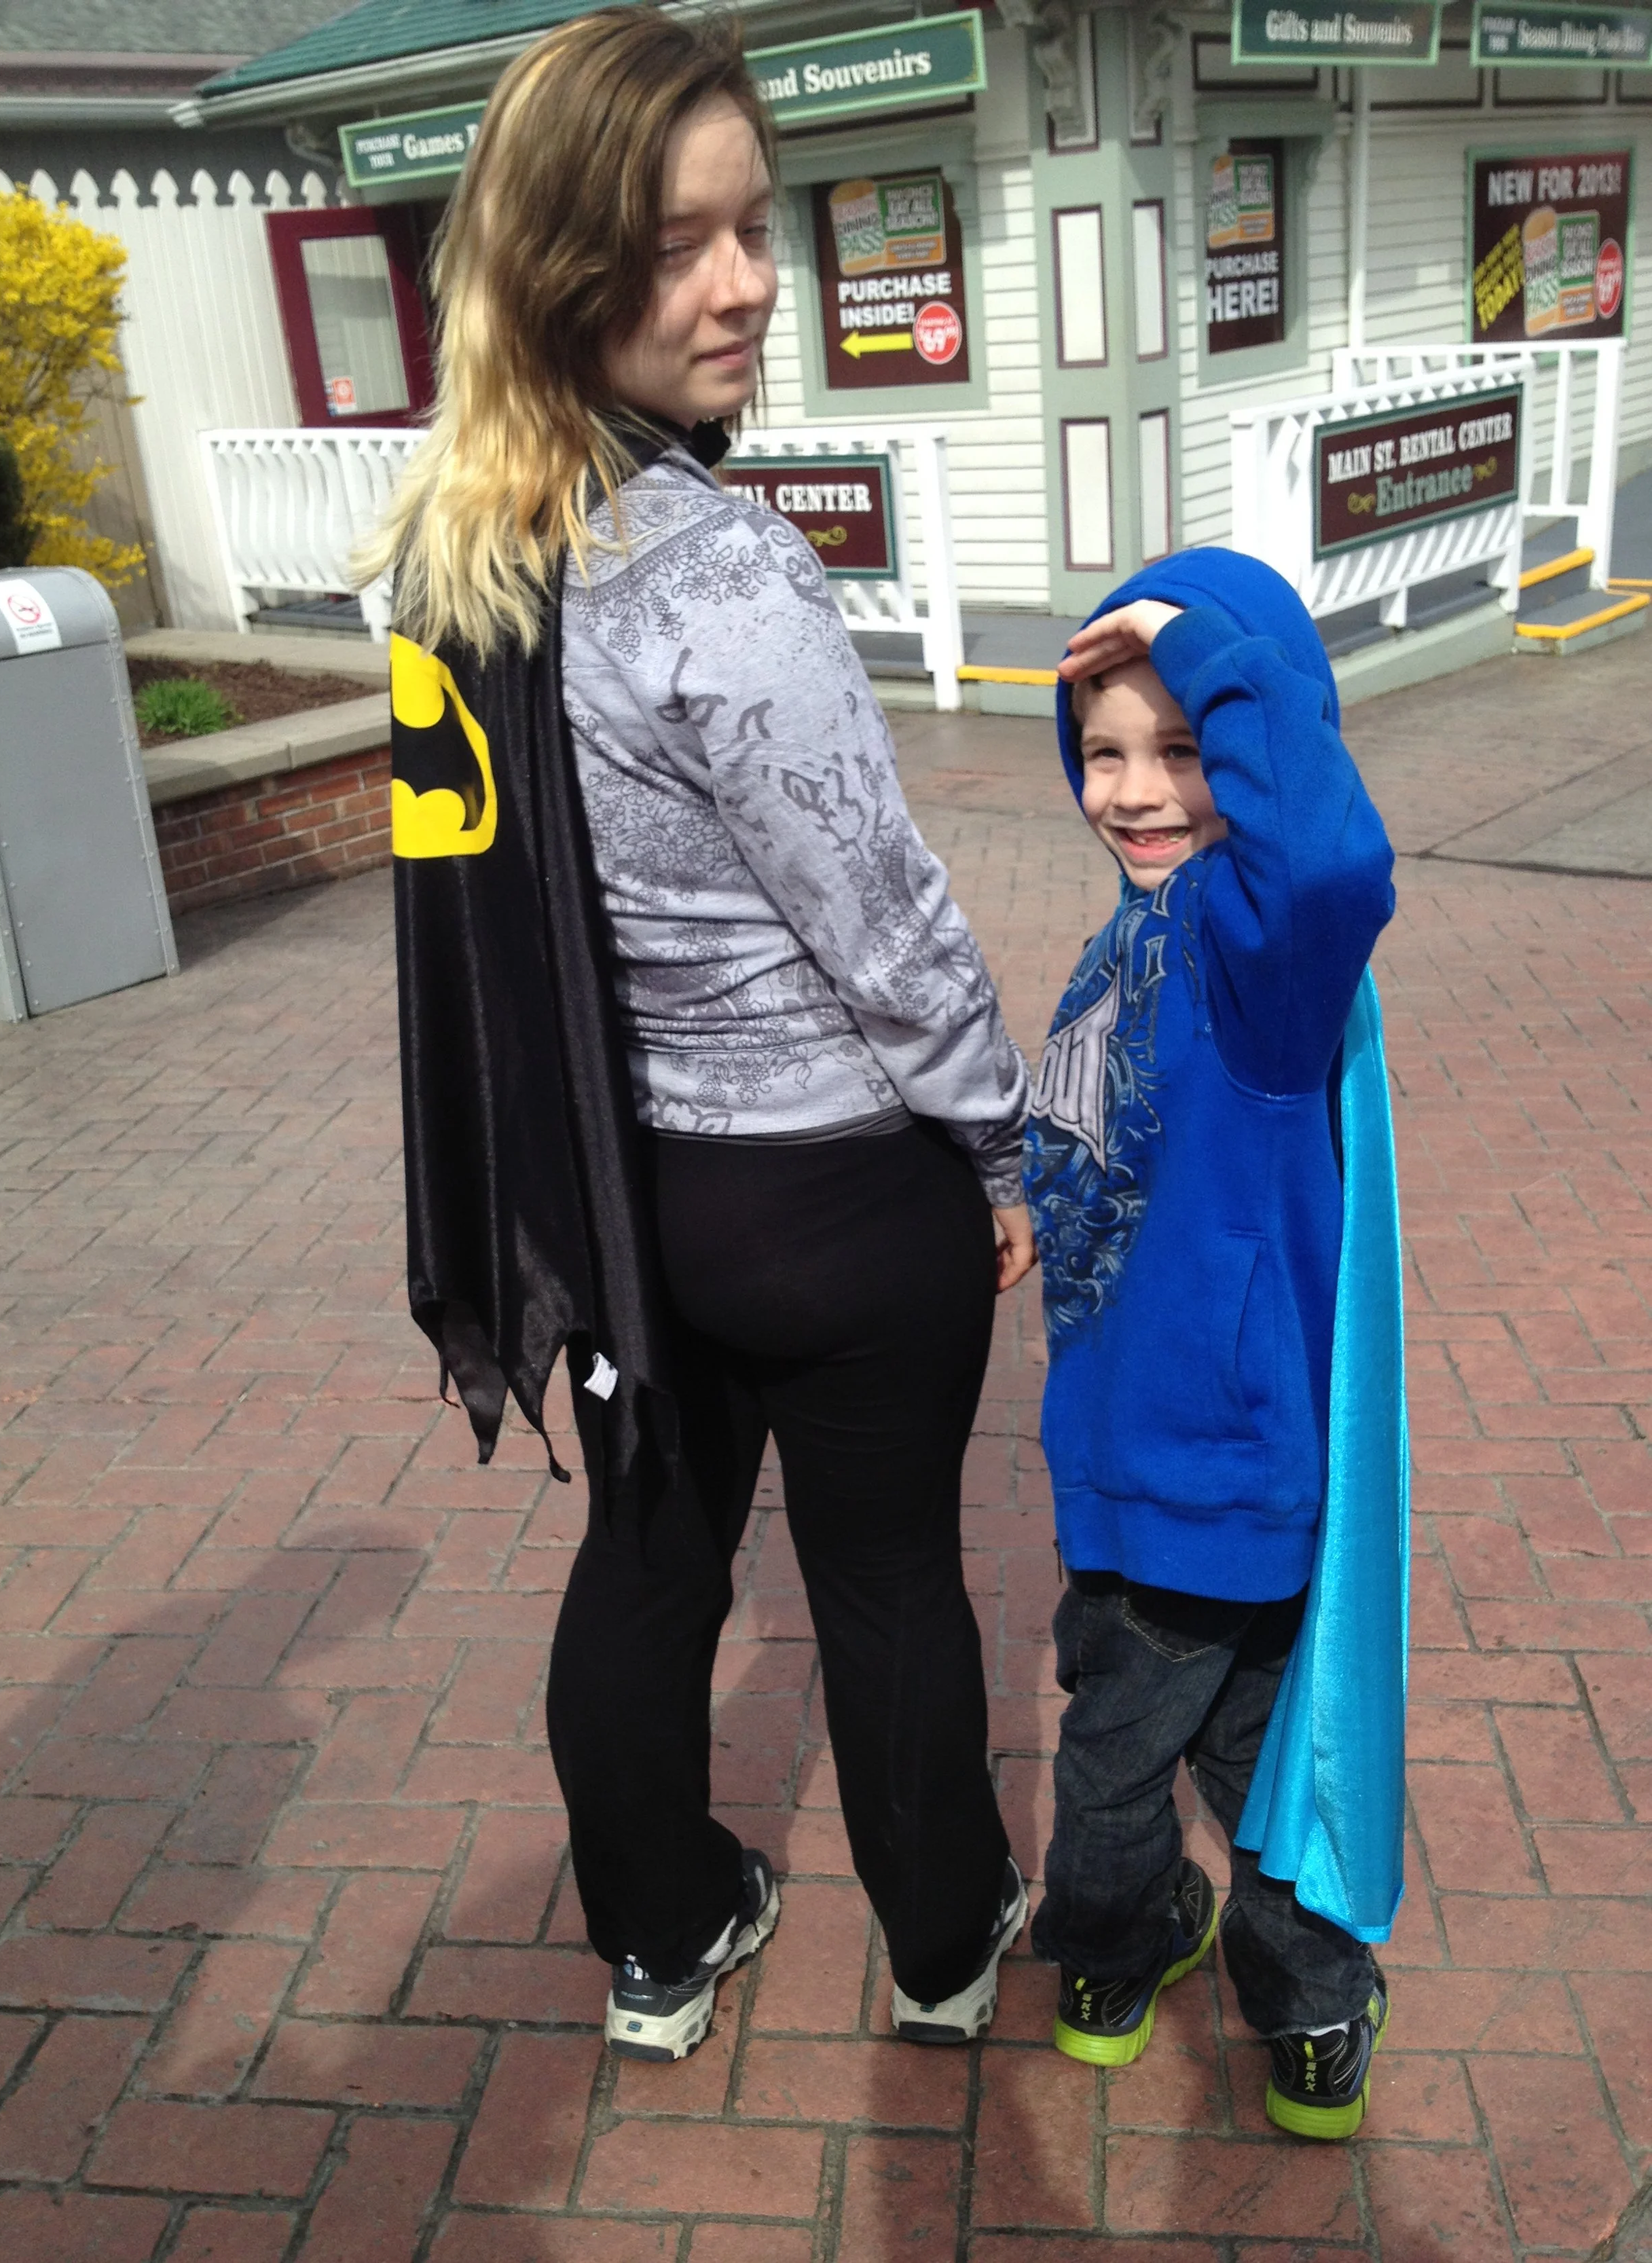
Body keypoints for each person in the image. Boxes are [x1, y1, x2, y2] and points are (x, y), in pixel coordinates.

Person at [363, 5, 1035, 2067]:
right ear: (564, 265)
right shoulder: (721, 571)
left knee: (648, 1564)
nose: (744, 283)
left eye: (755, 227)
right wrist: (1002, 1136)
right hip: (834, 1194)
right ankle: (945, 1949)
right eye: (678, 245)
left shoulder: (455, 552)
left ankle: (658, 1943)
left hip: (620, 1190)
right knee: (888, 1582)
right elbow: (883, 927)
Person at [1022, 548, 1406, 2140]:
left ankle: (1121, 1969)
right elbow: (1104, 1134)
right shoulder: (1139, 933)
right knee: (1219, 1748)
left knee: (1163, 1752)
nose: (1135, 790)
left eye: (1182, 749)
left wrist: (1210, 650)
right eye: (1103, 750)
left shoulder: (1262, 963)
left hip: (1215, 1461)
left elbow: (1327, 862)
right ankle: (1294, 2011)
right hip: (1132, 1451)